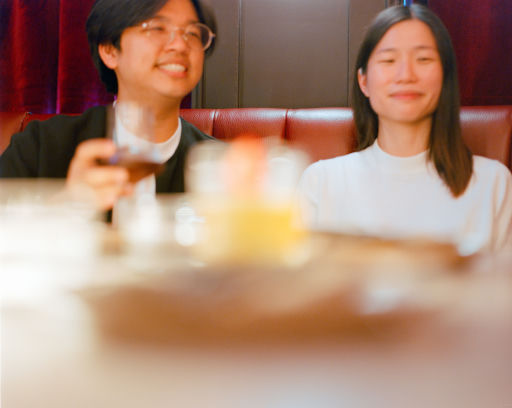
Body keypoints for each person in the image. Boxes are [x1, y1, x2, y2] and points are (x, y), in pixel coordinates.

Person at [297, 4, 512, 254]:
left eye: (423, 59)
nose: (406, 75)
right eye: (389, 60)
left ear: (445, 77)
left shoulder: (493, 183)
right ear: (364, 81)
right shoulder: (321, 182)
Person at [0, 0, 217, 211]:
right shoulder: (39, 146)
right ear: (110, 50)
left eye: (192, 33)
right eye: (157, 28)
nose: (180, 45)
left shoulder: (219, 167)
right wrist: (66, 207)